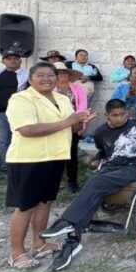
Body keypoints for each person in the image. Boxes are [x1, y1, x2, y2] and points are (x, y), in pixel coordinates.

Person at [40, 99, 136, 271]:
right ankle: (72, 242)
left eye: (123, 114)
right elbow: (104, 151)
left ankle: (66, 222)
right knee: (93, 187)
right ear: (107, 115)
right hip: (110, 168)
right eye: (115, 115)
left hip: (132, 168)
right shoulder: (100, 131)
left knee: (93, 182)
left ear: (127, 112)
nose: (120, 118)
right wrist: (97, 158)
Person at [4, 62, 96, 270]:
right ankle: (16, 252)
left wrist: (81, 121)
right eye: (41, 75)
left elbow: (71, 128)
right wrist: (68, 121)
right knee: (26, 206)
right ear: (30, 79)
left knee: (45, 202)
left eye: (51, 76)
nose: (46, 79)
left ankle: (39, 242)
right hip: (28, 159)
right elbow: (26, 129)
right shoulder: (21, 99)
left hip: (55, 156)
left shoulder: (62, 99)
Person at [0, 50, 29, 174]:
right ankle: (6, 167)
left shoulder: (28, 75)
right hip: (1, 113)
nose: (12, 60)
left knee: (22, 140)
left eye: (15, 58)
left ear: (20, 60)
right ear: (3, 61)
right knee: (4, 141)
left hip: (22, 114)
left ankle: (21, 166)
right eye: (9, 58)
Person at [53, 62, 88, 193]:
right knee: (56, 154)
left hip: (74, 124)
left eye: (65, 72)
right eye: (59, 73)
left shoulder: (78, 88)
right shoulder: (50, 89)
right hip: (56, 125)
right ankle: (55, 181)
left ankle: (72, 181)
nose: (63, 75)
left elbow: (83, 105)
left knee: (72, 153)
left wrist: (76, 119)